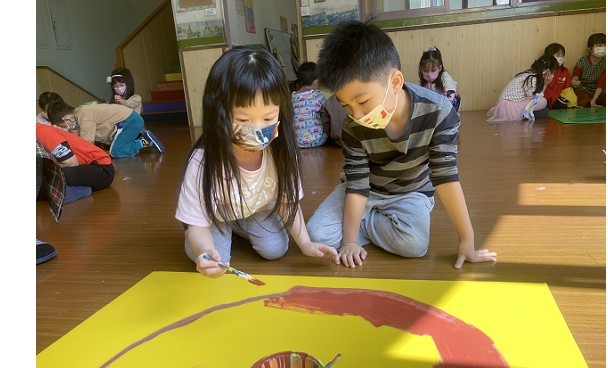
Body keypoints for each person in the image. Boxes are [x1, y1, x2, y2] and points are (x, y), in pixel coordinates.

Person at [306, 21, 496, 269]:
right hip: (366, 191)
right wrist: (350, 242)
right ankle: (369, 222)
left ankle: (365, 221)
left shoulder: (439, 111)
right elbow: (358, 184)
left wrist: (467, 239)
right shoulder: (353, 126)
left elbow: (446, 177)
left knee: (414, 245)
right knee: (316, 235)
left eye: (363, 101)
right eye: (346, 106)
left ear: (395, 82)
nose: (356, 114)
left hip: (411, 192)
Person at [175, 47, 340, 278]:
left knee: (275, 250)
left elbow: (287, 202)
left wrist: (305, 243)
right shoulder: (203, 162)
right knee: (214, 258)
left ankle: (240, 226)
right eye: (243, 119)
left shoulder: (282, 152)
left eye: (269, 117)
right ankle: (222, 230)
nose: (259, 129)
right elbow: (197, 224)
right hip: (216, 214)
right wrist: (204, 250)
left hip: (257, 208)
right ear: (218, 113)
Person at [48, 101, 164, 158]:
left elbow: (86, 143)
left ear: (67, 119)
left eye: (62, 125)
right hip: (130, 120)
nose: (65, 127)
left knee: (115, 152)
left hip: (130, 122)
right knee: (114, 146)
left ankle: (143, 141)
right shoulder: (80, 112)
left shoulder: (84, 116)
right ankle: (138, 136)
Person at [36, 122, 115, 191]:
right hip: (79, 167)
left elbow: (71, 163)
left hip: (101, 168)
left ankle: (76, 193)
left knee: (44, 180)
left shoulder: (40, 131)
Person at [487, 54, 558, 122]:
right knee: (543, 101)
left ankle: (529, 115)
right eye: (553, 72)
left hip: (504, 107)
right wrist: (545, 84)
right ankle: (526, 115)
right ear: (547, 72)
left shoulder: (527, 74)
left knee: (543, 110)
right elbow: (535, 100)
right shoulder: (533, 79)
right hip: (510, 109)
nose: (553, 75)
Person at [292, 62, 328, 148]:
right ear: (316, 82)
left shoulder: (292, 97)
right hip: (318, 140)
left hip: (297, 142)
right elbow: (327, 111)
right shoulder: (318, 95)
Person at [418, 46, 461, 111]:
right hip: (434, 105)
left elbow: (451, 91)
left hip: (449, 101)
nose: (429, 74)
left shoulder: (444, 76)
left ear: (440, 68)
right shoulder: (423, 83)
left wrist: (444, 106)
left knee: (451, 98)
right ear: (421, 69)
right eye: (425, 71)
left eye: (433, 70)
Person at [571, 33, 606, 107]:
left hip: (599, 92)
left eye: (605, 45)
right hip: (584, 90)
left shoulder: (605, 64)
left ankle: (593, 102)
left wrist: (594, 99)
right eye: (599, 45)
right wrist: (575, 81)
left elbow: (601, 84)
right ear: (590, 49)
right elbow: (576, 74)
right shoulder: (583, 61)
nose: (603, 48)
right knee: (581, 100)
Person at [542, 43, 576, 109]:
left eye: (562, 55)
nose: (561, 57)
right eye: (558, 55)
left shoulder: (565, 71)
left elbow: (568, 89)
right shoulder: (544, 71)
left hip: (557, 101)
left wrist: (572, 103)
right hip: (544, 100)